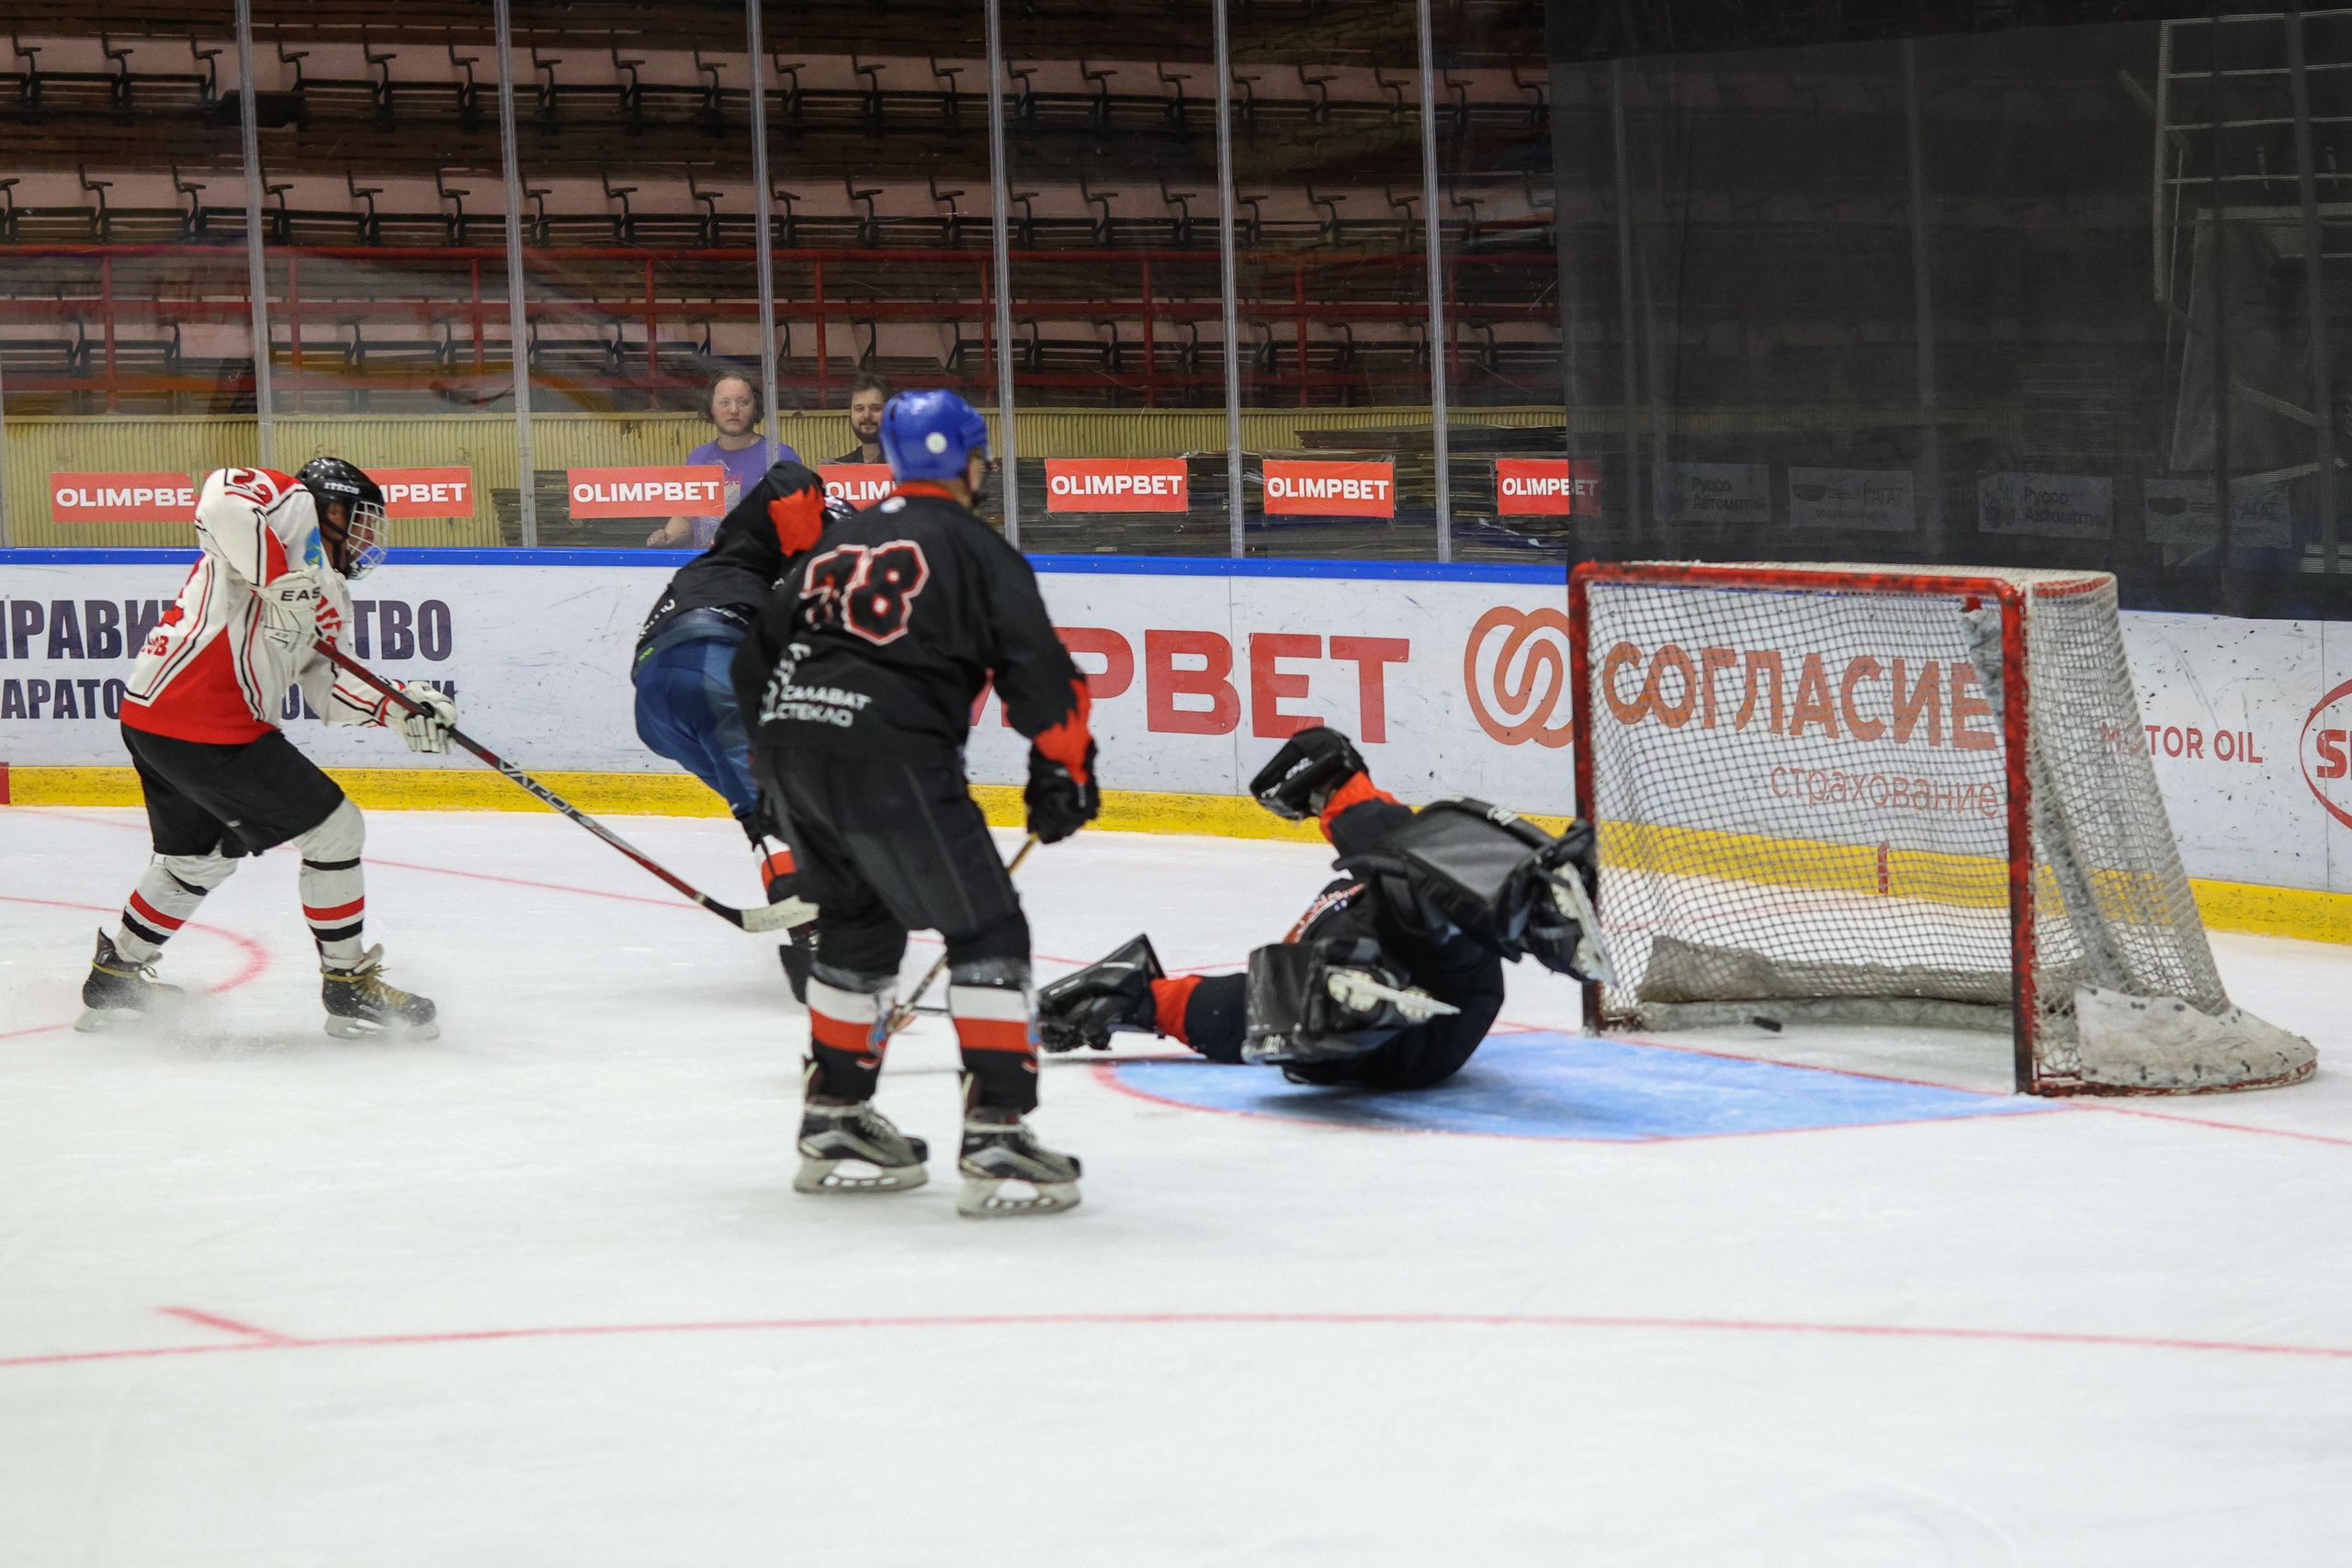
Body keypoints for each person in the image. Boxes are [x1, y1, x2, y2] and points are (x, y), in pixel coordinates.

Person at [733, 388, 1101, 1217]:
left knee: (860, 927)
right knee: (988, 929)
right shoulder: (976, 546)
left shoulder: (837, 543)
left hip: (791, 754)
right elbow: (1041, 672)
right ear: (971, 463)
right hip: (889, 755)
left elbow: (755, 660)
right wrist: (1064, 772)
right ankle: (1000, 1130)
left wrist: (776, 753)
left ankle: (834, 1116)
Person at [78, 460, 458, 1038]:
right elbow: (219, 505)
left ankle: (116, 975)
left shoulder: (330, 590)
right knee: (337, 831)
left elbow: (328, 688)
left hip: (159, 720)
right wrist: (280, 578)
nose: (365, 536)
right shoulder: (290, 504)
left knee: (195, 859)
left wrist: (400, 707)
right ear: (332, 510)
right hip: (205, 717)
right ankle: (348, 983)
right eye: (361, 520)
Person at [1035, 726, 1608, 1090]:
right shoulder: (1305, 960)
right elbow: (1242, 1012)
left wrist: (1332, 777)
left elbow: (1379, 830)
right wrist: (1141, 999)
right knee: (1303, 1017)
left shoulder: (1375, 880)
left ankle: (1529, 902)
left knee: (1404, 884)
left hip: (1436, 973)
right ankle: (1360, 998)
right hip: (1415, 1038)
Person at [633, 458, 842, 998]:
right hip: (712, 667)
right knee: (778, 807)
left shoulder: (739, 556)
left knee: (779, 809)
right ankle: (816, 939)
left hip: (661, 703)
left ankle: (817, 903)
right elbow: (789, 480)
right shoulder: (797, 539)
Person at [645, 373, 800, 547]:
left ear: (755, 407)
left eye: (743, 402)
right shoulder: (698, 457)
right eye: (724, 402)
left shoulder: (780, 456)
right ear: (711, 408)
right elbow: (688, 517)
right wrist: (668, 536)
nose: (734, 410)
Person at [831, 371, 894, 465]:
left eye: (875, 408)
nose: (867, 415)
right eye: (859, 409)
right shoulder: (838, 468)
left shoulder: (908, 467)